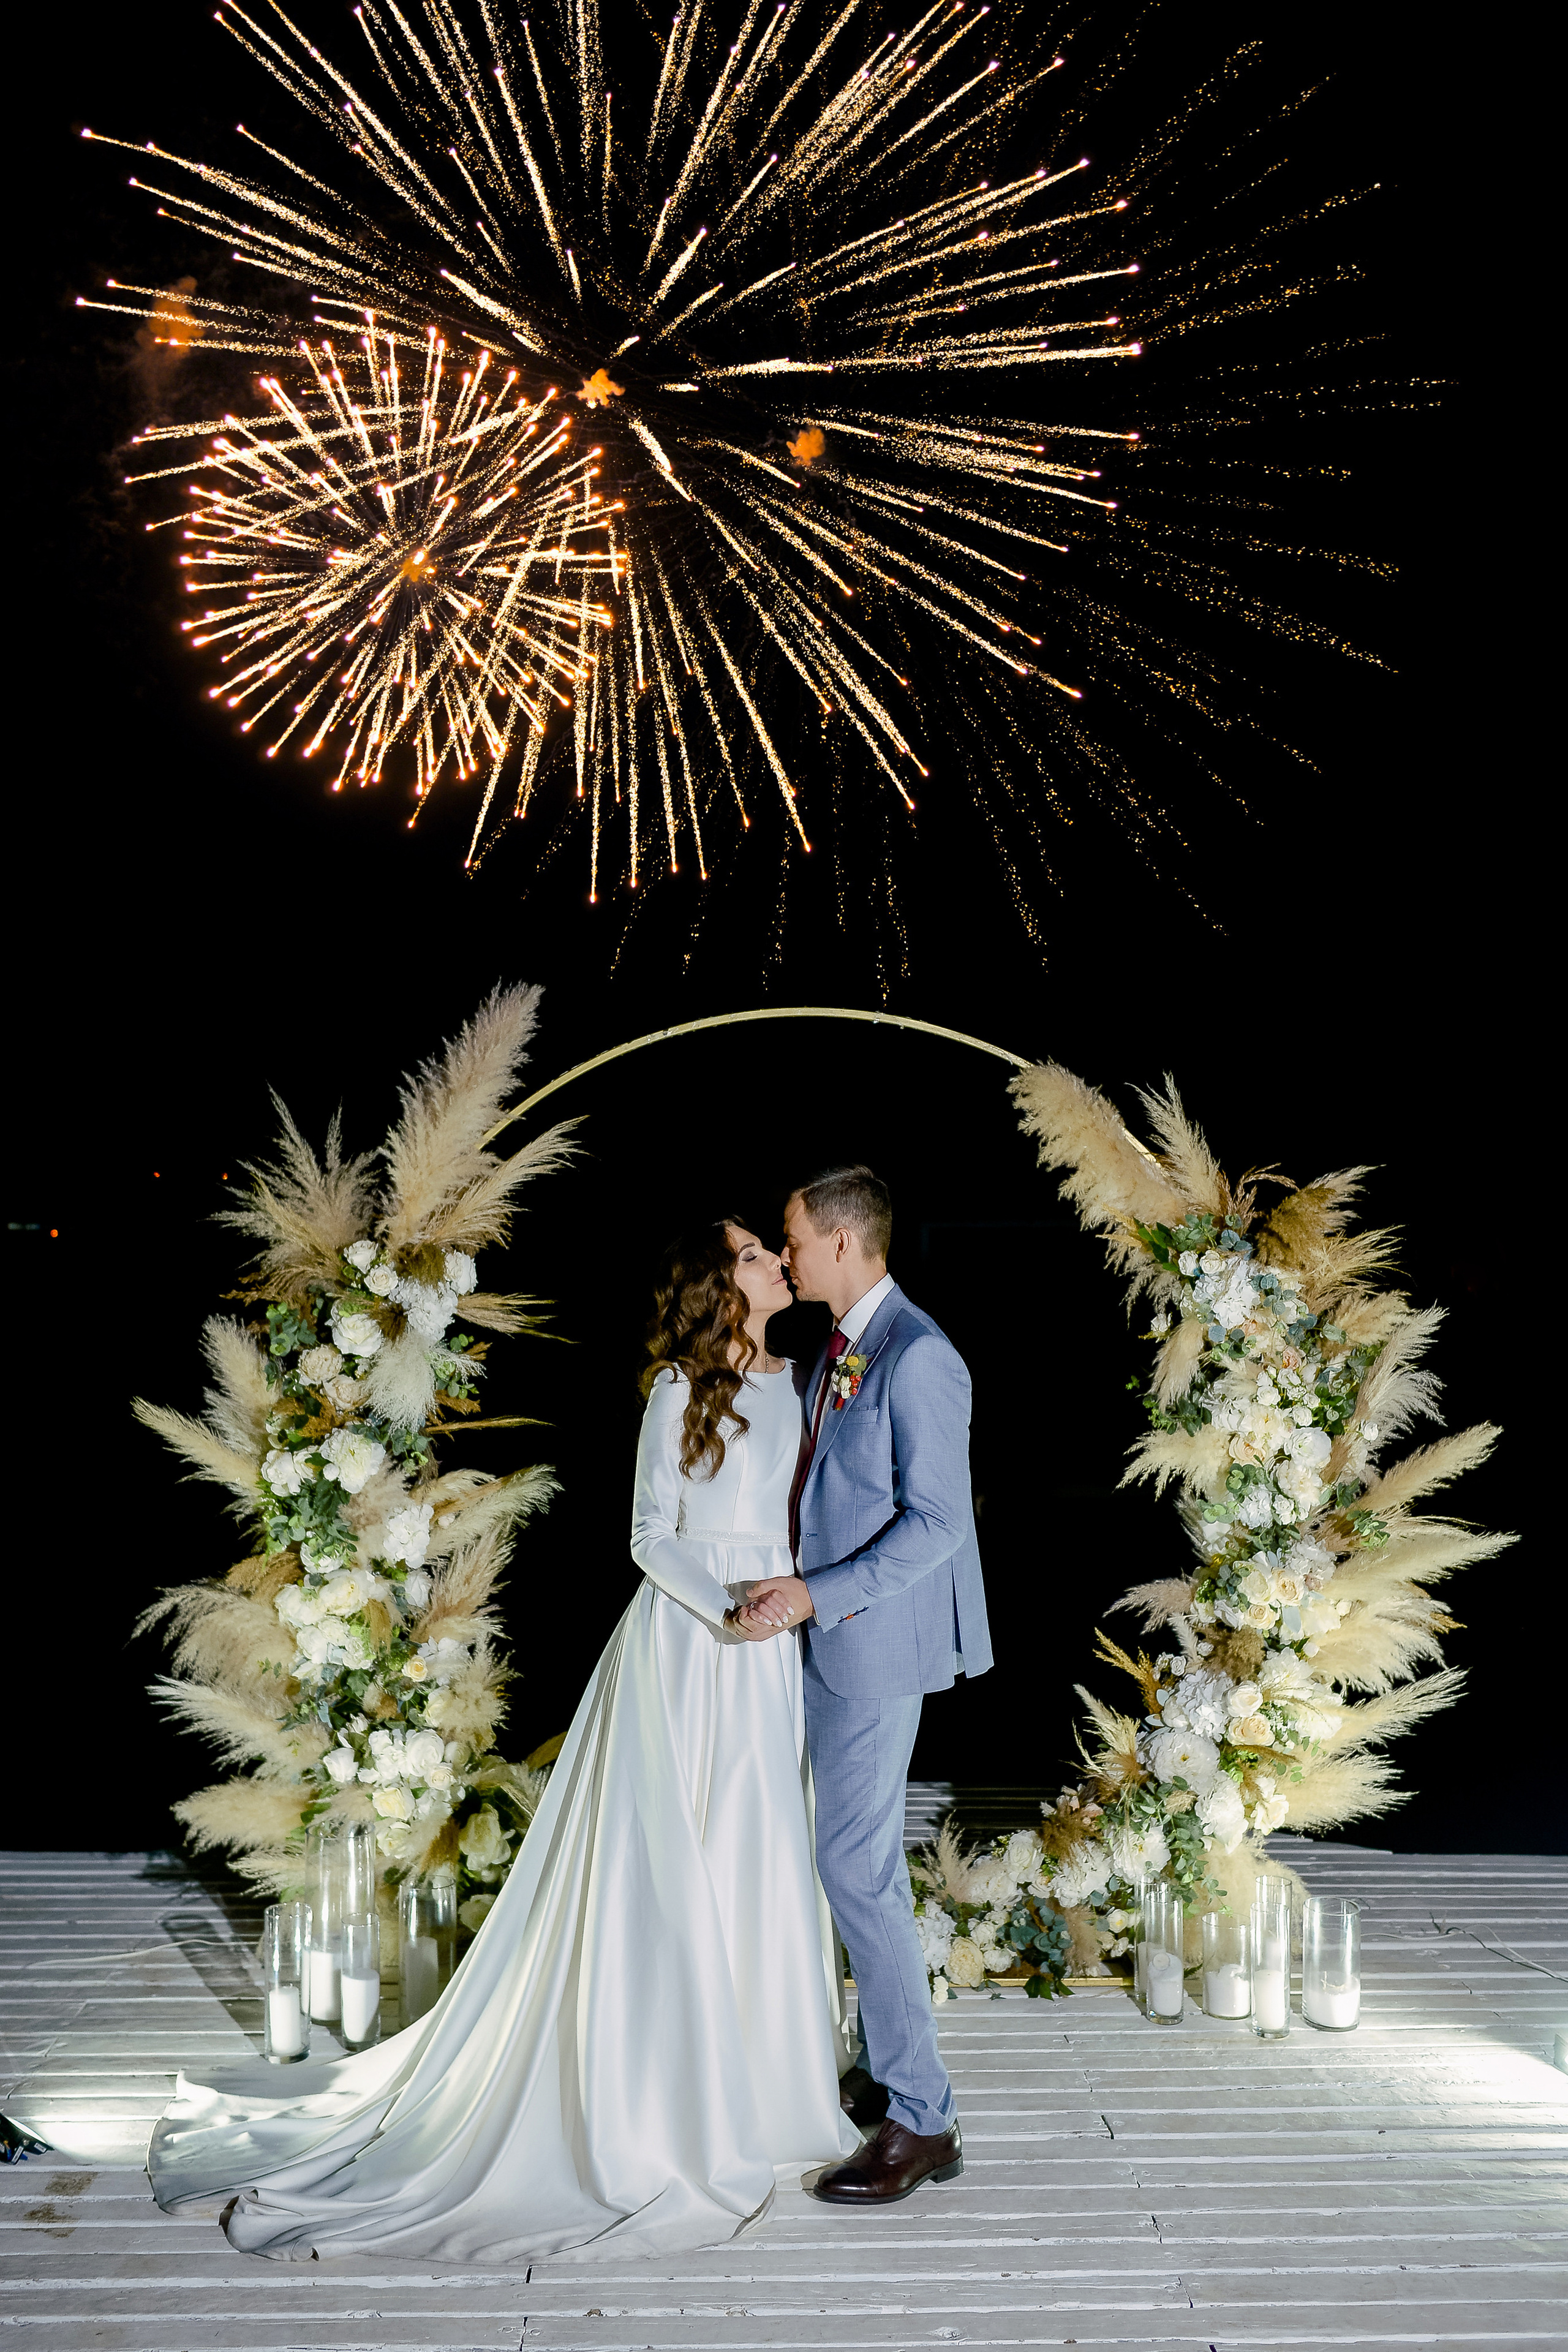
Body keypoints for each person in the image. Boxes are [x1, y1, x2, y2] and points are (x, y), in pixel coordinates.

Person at [146, 1220, 858, 2264]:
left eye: (769, 1247)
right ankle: (666, 2094)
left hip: (772, 1652)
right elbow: (648, 1536)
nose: (774, 1262)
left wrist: (784, 1604)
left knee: (760, 1855)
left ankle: (770, 2090)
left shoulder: (808, 1382)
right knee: (673, 1865)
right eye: (754, 1253)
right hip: (690, 1641)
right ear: (720, 1286)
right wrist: (726, 1605)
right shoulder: (676, 1391)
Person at [739, 1164, 991, 2206]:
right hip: (824, 1641)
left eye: (792, 1239)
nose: (785, 1255)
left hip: (874, 1645)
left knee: (858, 1868)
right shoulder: (842, 1346)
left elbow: (939, 1526)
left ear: (842, 1242)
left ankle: (923, 2118)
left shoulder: (920, 1355)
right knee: (836, 1859)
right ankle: (883, 2070)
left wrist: (815, 1594)